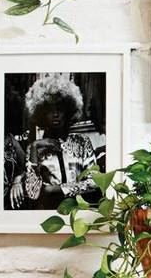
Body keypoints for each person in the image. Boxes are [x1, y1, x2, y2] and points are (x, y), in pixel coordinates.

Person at [9, 73, 99, 211]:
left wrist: (57, 190)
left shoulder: (82, 142)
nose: (55, 114)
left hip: (80, 211)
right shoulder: (35, 149)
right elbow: (33, 194)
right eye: (50, 110)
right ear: (42, 114)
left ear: (68, 110)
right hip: (51, 214)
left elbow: (95, 182)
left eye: (60, 108)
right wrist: (34, 147)